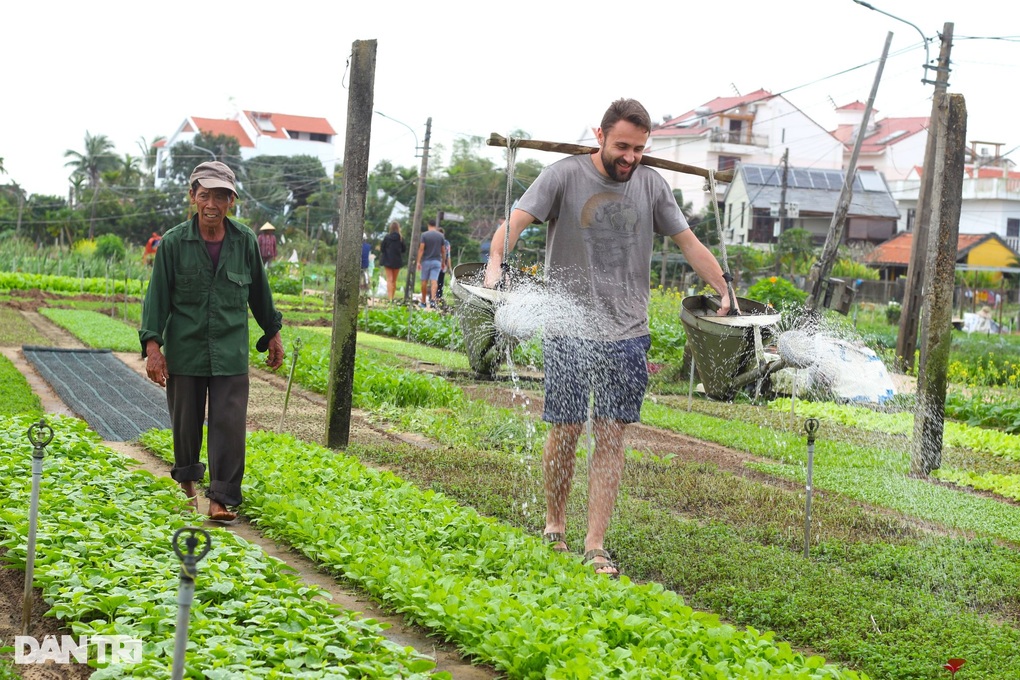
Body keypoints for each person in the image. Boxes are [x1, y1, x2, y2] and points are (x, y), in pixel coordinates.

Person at [484, 98, 732, 576]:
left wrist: (724, 286)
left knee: (612, 437)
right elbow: (513, 223)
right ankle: (554, 526)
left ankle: (595, 543)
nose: (631, 158)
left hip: (627, 331)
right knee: (567, 428)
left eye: (639, 148)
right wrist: (496, 263)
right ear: (600, 136)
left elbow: (689, 243)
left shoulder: (653, 185)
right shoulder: (562, 176)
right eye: (622, 146)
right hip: (569, 327)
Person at [139, 160, 284, 523]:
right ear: (193, 197)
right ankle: (187, 485)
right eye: (205, 195)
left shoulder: (245, 241)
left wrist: (273, 333)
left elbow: (260, 295)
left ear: (231, 201)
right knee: (186, 422)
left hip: (230, 351)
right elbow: (156, 299)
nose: (212, 204)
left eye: (221, 196)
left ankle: (220, 498)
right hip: (186, 350)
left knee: (229, 425)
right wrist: (153, 349)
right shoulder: (173, 243)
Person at [417, 218, 446, 308]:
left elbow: (421, 249)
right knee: (434, 281)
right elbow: (443, 250)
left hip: (426, 260)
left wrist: (418, 261)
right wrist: (443, 262)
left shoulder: (424, 235)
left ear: (428, 225)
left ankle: (423, 301)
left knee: (424, 281)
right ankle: (433, 300)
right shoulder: (441, 236)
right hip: (437, 261)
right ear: (435, 226)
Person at [378, 221, 406, 302]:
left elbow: (382, 248)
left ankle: (390, 299)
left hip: (387, 260)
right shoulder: (401, 238)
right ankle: (392, 297)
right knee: (394, 280)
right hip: (397, 261)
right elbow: (404, 249)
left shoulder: (387, 237)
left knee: (389, 279)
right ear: (398, 228)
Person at [435, 226, 452, 302]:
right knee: (439, 281)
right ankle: (438, 296)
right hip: (441, 265)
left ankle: (435, 296)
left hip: (439, 264)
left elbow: (448, 256)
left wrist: (449, 267)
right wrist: (449, 267)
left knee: (436, 281)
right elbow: (448, 256)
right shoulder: (446, 243)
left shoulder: (435, 242)